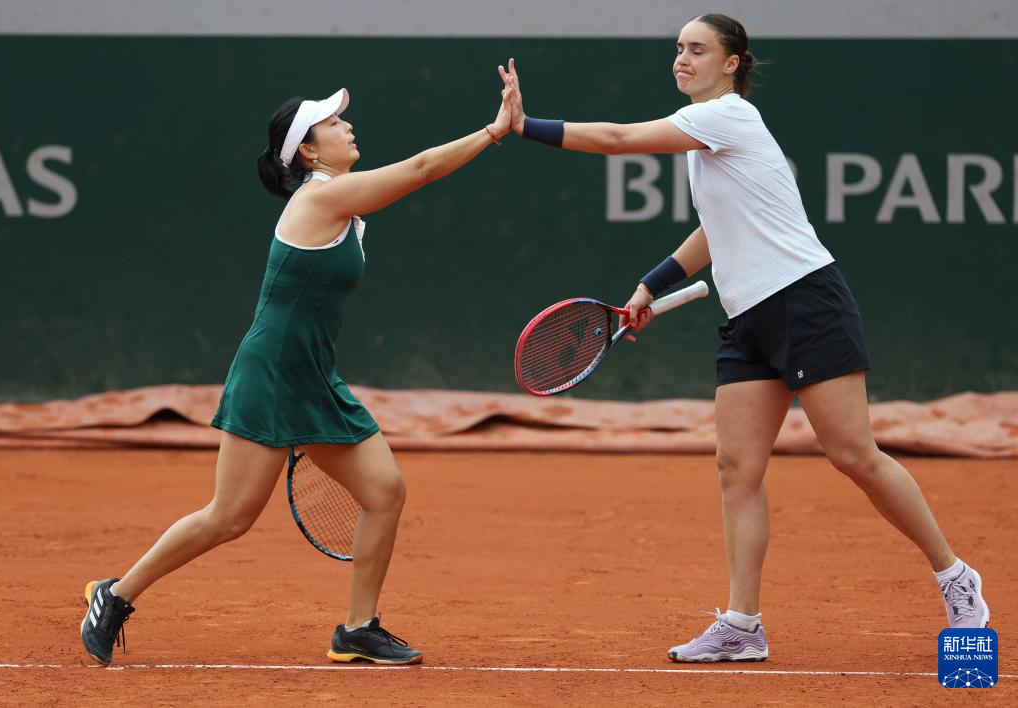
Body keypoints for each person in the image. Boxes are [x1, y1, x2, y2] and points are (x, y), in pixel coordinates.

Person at [498, 13, 989, 662]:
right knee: (737, 470)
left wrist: (525, 125)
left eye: (698, 50)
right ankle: (742, 624)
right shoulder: (705, 136)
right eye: (679, 48)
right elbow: (716, 228)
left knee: (852, 454)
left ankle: (955, 576)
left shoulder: (727, 116)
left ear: (732, 64)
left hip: (805, 301)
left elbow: (618, 138)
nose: (682, 59)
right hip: (748, 315)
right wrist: (650, 284)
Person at [81, 84, 514, 666]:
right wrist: (493, 130)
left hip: (313, 375)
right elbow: (420, 169)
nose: (347, 125)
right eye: (332, 123)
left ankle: (358, 629)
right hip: (270, 375)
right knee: (229, 517)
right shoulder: (320, 199)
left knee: (384, 492)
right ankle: (115, 594)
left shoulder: (343, 204)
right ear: (308, 151)